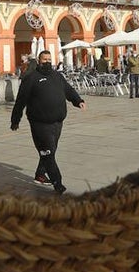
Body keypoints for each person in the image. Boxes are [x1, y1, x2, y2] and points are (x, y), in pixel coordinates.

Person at [10, 50, 86, 194]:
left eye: (49, 59)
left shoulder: (57, 76)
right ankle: (58, 183)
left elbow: (68, 90)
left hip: (57, 122)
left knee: (50, 150)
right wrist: (15, 120)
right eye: (44, 59)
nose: (47, 61)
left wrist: (78, 101)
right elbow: (21, 101)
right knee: (48, 153)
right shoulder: (31, 78)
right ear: (39, 61)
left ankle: (40, 174)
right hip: (40, 124)